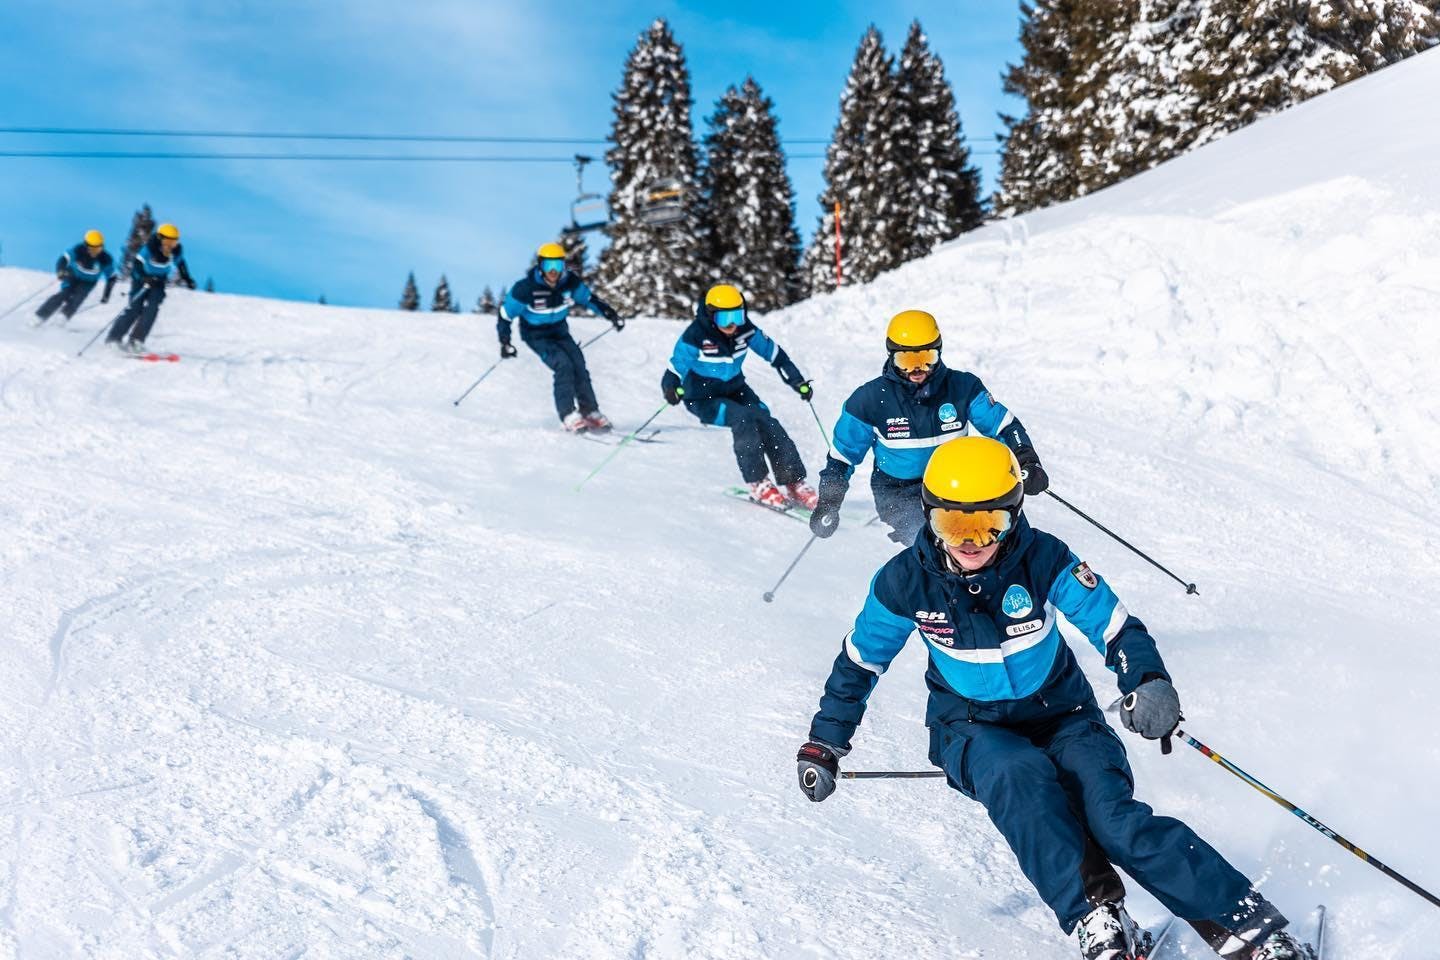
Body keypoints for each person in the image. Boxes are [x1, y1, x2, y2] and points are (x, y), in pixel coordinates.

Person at [796, 435, 1307, 960]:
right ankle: (1098, 919)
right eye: (953, 524)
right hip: (971, 727)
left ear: (1013, 516)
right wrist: (824, 743)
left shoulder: (1045, 560)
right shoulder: (904, 582)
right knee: (1017, 778)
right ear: (929, 517)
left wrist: (1147, 681)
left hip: (1064, 716)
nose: (969, 542)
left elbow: (1115, 628)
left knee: (1115, 823)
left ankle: (1249, 928)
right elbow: (859, 663)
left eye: (986, 525)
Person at [810, 310, 1048, 545]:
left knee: (1000, 531)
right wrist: (829, 502)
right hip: (899, 492)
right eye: (905, 360)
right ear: (891, 355)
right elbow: (842, 458)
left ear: (939, 351)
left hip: (955, 483)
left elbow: (1004, 426)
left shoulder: (962, 387)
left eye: (927, 359)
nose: (917, 370)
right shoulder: (869, 400)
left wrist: (1027, 459)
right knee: (939, 544)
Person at [660, 284, 819, 510]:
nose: (732, 324)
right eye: (725, 318)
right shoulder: (696, 335)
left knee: (767, 422)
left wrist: (798, 381)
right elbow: (675, 368)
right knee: (742, 418)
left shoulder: (745, 330)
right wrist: (671, 387)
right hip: (702, 398)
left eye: (737, 315)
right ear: (711, 316)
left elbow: (776, 355)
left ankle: (794, 483)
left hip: (735, 389)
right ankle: (758, 483)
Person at [497, 241, 624, 433]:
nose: (554, 271)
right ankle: (568, 415)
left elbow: (589, 299)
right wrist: (505, 342)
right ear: (540, 265)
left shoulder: (569, 283)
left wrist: (610, 314)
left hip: (560, 331)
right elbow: (505, 315)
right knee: (563, 365)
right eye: (549, 265)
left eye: (558, 265)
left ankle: (590, 411)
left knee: (578, 364)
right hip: (536, 335)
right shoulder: (526, 288)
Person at [106, 223, 195, 353]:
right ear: (160, 238)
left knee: (153, 308)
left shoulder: (175, 251)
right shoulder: (149, 248)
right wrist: (144, 277)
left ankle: (136, 341)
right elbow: (137, 265)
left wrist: (187, 279)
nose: (170, 244)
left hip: (159, 282)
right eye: (168, 240)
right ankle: (114, 338)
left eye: (174, 241)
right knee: (135, 308)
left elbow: (181, 264)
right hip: (141, 280)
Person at [32, 230, 117, 326]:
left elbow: (111, 277)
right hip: (73, 275)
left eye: (98, 249)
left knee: (78, 299)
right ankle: (39, 316)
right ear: (86, 246)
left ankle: (62, 318)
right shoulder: (78, 250)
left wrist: (106, 295)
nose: (94, 252)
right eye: (91, 249)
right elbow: (63, 259)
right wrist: (61, 271)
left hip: (88, 282)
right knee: (64, 294)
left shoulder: (105, 259)